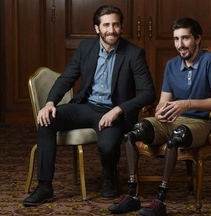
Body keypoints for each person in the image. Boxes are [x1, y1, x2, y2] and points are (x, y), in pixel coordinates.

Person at [22, 5, 156, 206]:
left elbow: (148, 93)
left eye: (116, 25)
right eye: (107, 25)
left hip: (114, 112)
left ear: (121, 26)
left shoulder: (133, 53)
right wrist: (50, 103)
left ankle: (109, 176)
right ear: (97, 28)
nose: (112, 30)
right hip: (86, 106)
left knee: (108, 145)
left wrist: (118, 109)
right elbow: (67, 78)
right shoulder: (86, 48)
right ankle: (44, 186)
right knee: (46, 120)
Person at [108, 17, 211, 216]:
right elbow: (164, 102)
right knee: (133, 133)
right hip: (172, 119)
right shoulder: (172, 65)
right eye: (176, 39)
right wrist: (160, 112)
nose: (180, 45)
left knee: (176, 138)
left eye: (185, 38)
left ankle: (160, 200)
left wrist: (187, 103)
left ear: (198, 39)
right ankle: (132, 196)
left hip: (201, 122)